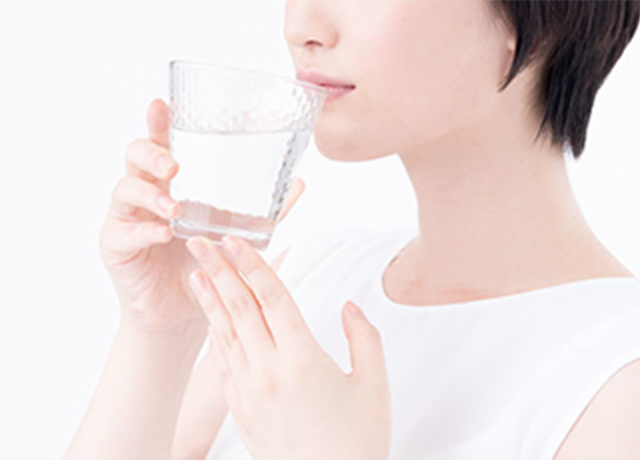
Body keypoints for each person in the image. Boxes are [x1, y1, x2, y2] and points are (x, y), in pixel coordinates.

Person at [64, 1, 640, 459]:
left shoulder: (618, 383)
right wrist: (161, 332)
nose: (300, 26)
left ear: (537, 24)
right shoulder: (308, 280)